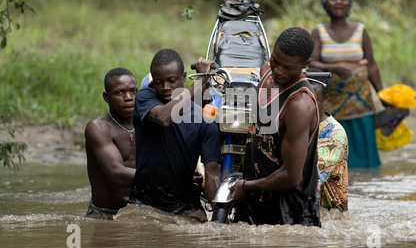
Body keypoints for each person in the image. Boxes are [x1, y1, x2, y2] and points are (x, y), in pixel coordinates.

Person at [232, 27, 321, 227]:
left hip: (289, 210)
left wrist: (247, 186)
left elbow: (291, 177)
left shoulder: (299, 105)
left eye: (288, 67)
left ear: (305, 64)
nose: (278, 71)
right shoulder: (265, 74)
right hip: (255, 196)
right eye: (275, 61)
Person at [128, 49, 222, 222]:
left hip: (185, 207)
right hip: (143, 204)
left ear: (184, 76)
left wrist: (220, 217)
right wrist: (200, 80)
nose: (165, 87)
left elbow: (213, 173)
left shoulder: (204, 120)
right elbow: (164, 118)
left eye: (171, 81)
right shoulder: (145, 98)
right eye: (158, 82)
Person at [310, 0, 384, 168]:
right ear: (326, 4)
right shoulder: (319, 31)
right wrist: (334, 67)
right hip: (332, 101)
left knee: (365, 154)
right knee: (335, 150)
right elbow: (311, 63)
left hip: (362, 102)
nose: (338, 2)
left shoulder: (360, 30)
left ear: (349, 3)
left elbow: (372, 65)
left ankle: (367, 183)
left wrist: (382, 94)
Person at [85, 67, 138, 220]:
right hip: (105, 215)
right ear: (106, 97)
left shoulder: (145, 123)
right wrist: (167, 177)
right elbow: (117, 173)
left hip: (140, 212)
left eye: (133, 91)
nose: (128, 97)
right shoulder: (98, 128)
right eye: (119, 92)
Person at [306, 68, 348, 213]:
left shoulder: (334, 134)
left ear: (325, 99)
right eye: (303, 99)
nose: (307, 106)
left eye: (313, 100)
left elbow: (310, 179)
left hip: (329, 214)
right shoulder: (296, 124)